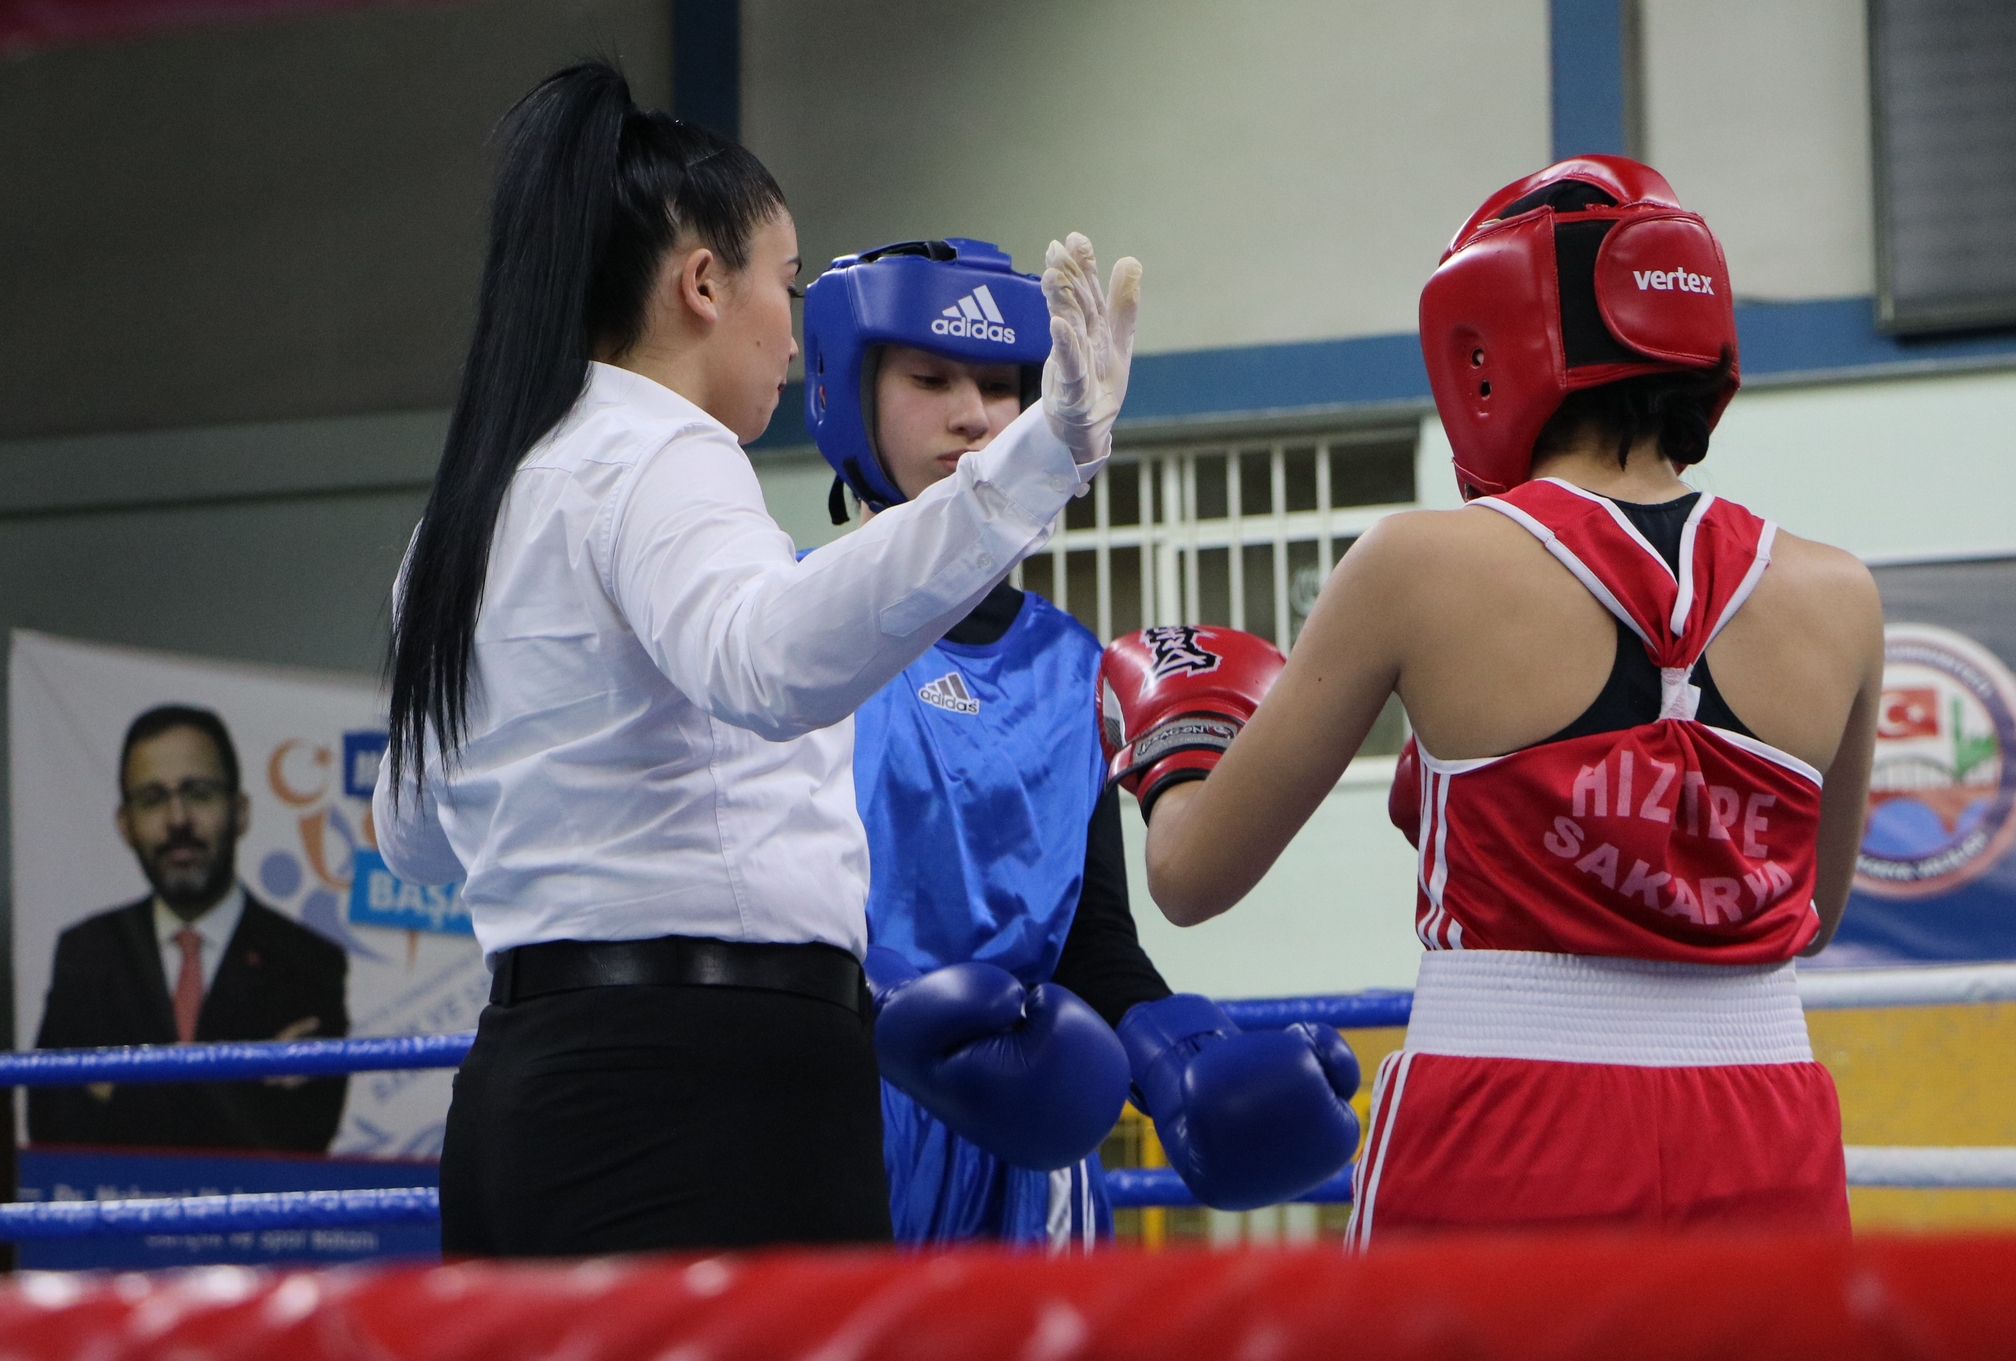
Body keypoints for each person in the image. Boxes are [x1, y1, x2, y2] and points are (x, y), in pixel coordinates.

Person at [370, 62, 1141, 1257]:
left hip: (529, 1080)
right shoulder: (660, 451)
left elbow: (414, 833)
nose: (790, 333)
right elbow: (772, 664)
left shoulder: (470, 506)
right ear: (700, 284)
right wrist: (1040, 453)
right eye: (783, 283)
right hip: (702, 1087)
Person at [1105, 156, 1880, 1243]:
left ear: (1486, 344)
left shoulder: (1417, 565)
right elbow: (1811, 914)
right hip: (1765, 1127)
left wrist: (1181, 743)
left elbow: (1190, 879)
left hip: (1508, 1118)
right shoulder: (1839, 594)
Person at [807, 239, 1363, 1247]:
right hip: (839, 1118)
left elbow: (1090, 938)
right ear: (851, 397)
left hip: (1033, 1138)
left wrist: (1180, 1057)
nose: (973, 415)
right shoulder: (786, 624)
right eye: (930, 380)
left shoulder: (1068, 665)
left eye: (998, 386)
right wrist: (891, 1005)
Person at [31, 705, 349, 1153]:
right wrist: (246, 1083)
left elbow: (298, 1140)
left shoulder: (308, 963)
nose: (177, 818)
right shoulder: (87, 953)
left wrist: (117, 1091)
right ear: (125, 825)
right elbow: (52, 1130)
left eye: (198, 793)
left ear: (240, 812)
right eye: (152, 798)